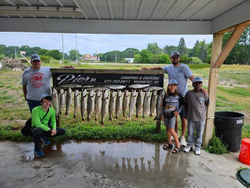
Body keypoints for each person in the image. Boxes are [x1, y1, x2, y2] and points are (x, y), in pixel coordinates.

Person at [142, 51, 194, 146]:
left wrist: (200, 88)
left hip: (182, 96)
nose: (176, 59)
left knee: (183, 117)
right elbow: (159, 68)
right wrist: (149, 69)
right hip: (172, 96)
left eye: (177, 57)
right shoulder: (168, 68)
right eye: (174, 57)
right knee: (174, 115)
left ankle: (182, 137)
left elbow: (192, 78)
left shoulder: (184, 67)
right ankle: (176, 132)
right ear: (170, 58)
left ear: (179, 58)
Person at [183, 77, 209, 155]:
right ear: (193, 84)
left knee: (199, 132)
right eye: (196, 83)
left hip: (201, 117)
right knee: (190, 132)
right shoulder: (188, 93)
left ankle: (198, 146)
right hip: (191, 117)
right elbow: (185, 104)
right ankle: (189, 145)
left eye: (199, 83)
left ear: (201, 85)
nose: (198, 85)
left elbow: (207, 103)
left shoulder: (204, 94)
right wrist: (186, 114)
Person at [161, 79, 184, 154]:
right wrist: (162, 115)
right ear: (168, 86)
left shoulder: (178, 96)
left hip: (172, 116)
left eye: (174, 85)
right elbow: (163, 106)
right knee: (167, 130)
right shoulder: (166, 95)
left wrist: (178, 112)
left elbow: (182, 105)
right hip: (166, 115)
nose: (172, 87)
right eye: (171, 85)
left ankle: (178, 146)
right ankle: (169, 143)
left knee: (172, 130)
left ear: (176, 86)